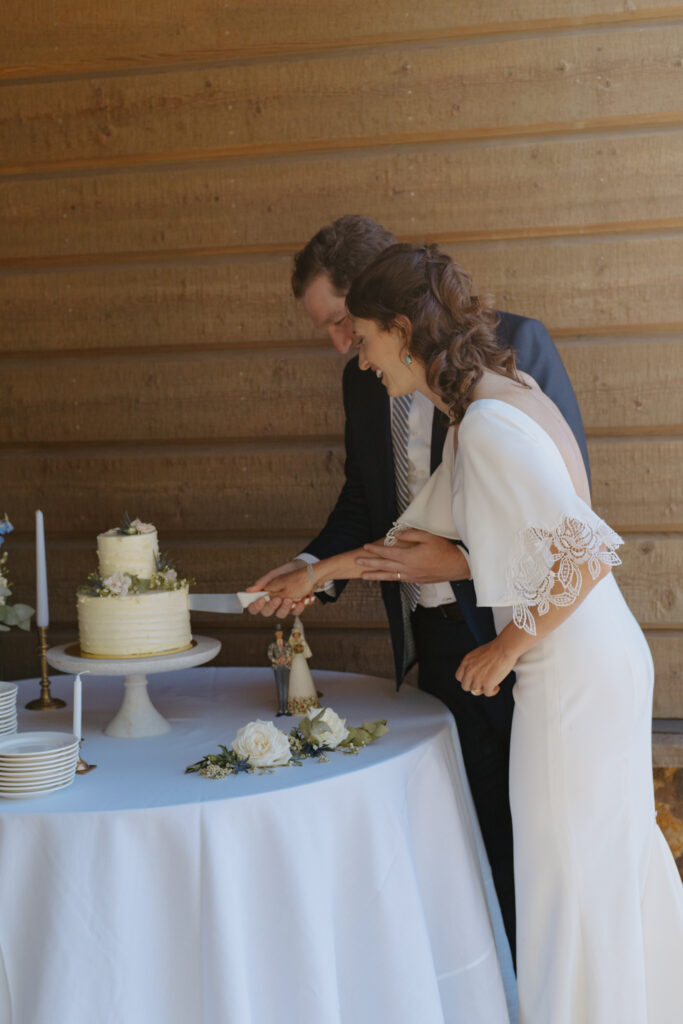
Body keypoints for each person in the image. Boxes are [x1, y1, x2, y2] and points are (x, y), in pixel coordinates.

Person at [265, 242, 683, 1023]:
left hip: (570, 673)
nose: (359, 363)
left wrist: (507, 646)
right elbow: (417, 542)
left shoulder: (486, 423)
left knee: (566, 878)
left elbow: (586, 552)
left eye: (363, 339)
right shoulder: (490, 400)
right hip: (596, 660)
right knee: (593, 867)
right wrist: (317, 573)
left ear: (401, 327)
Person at [247, 215, 590, 959]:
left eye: (347, 326)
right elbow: (370, 504)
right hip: (430, 648)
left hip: (513, 639)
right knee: (460, 844)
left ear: (390, 317)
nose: (345, 351)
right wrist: (315, 571)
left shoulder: (512, 351)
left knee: (530, 849)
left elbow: (570, 521)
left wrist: (466, 575)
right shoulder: (361, 380)